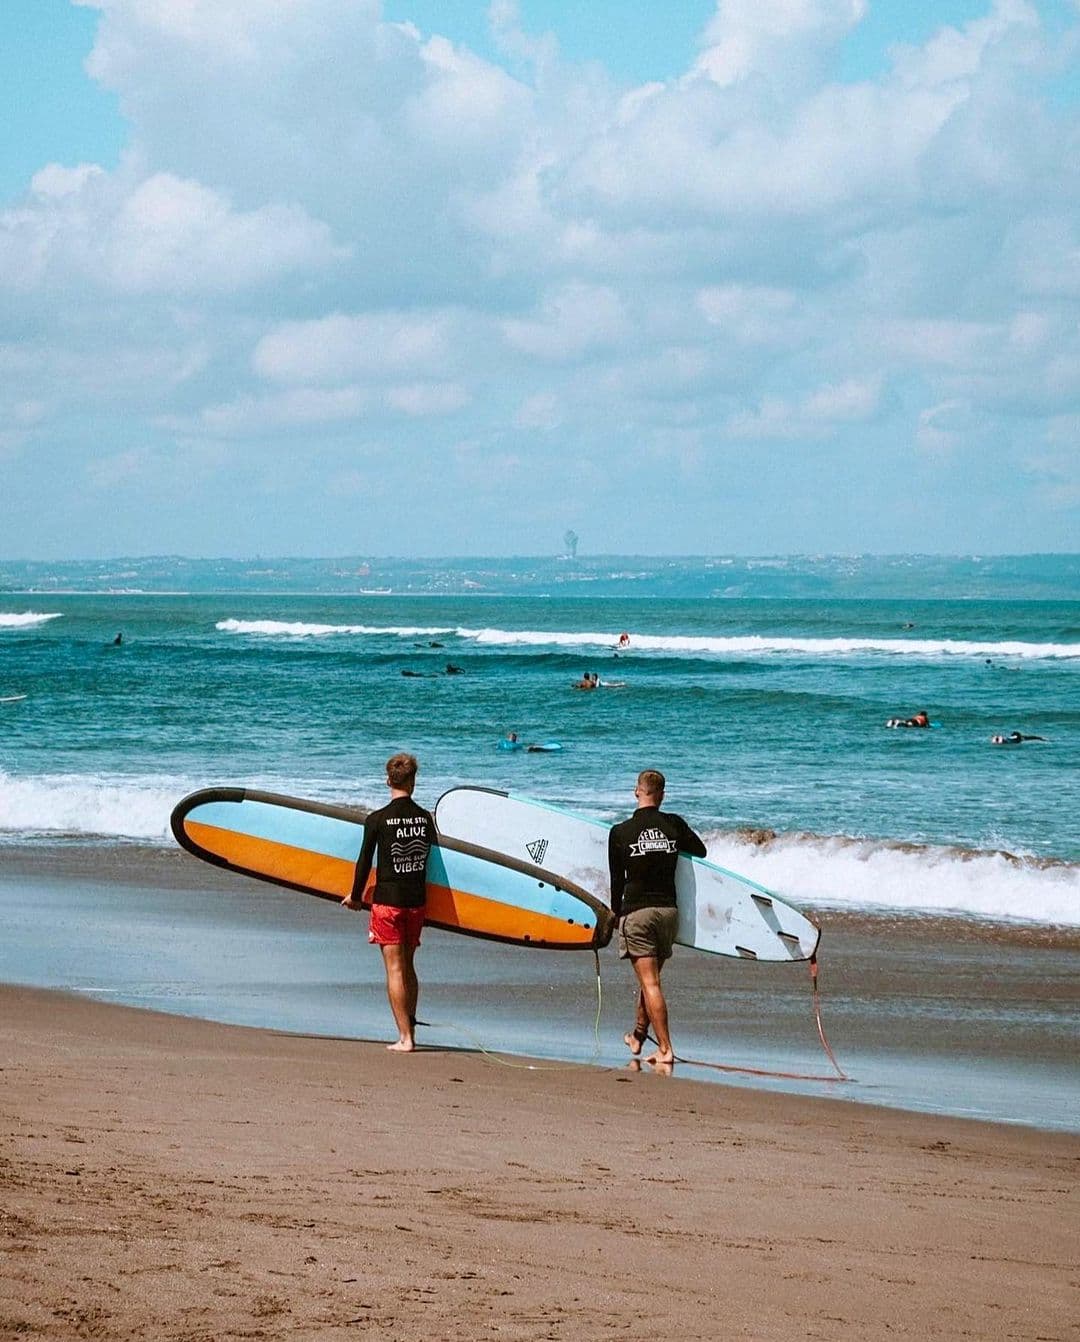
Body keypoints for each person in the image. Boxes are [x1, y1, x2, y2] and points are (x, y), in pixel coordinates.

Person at [608, 769, 706, 1067]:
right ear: (662, 795)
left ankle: (665, 1049)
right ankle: (638, 1035)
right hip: (668, 914)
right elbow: (700, 851)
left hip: (638, 914)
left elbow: (617, 881)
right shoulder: (674, 824)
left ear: (636, 791)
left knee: (650, 983)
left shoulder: (620, 832)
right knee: (649, 981)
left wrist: (615, 914)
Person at [341, 752, 434, 1052]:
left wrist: (356, 897)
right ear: (413, 782)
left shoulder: (377, 819)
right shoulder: (425, 818)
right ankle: (411, 1033)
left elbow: (364, 861)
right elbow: (433, 862)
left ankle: (405, 1038)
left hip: (388, 903)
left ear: (387, 781)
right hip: (416, 902)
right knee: (408, 965)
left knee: (394, 969)